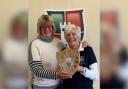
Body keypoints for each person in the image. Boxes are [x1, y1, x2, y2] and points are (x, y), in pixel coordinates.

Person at [28, 15, 88, 89]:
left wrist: (81, 44)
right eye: (44, 27)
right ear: (39, 28)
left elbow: (71, 53)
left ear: (53, 28)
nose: (47, 29)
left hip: (59, 85)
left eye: (49, 26)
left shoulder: (59, 43)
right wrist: (56, 74)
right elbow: (36, 70)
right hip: (42, 86)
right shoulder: (34, 44)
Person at [62, 24, 99, 89]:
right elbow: (62, 72)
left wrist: (82, 69)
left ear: (78, 36)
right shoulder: (63, 51)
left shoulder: (88, 50)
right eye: (68, 35)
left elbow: (96, 76)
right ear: (65, 37)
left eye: (73, 34)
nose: (70, 37)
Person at [2, 14, 28, 89]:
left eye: (22, 28)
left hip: (24, 84)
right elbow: (10, 65)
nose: (20, 31)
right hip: (10, 84)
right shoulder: (7, 45)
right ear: (13, 29)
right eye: (18, 28)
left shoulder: (25, 43)